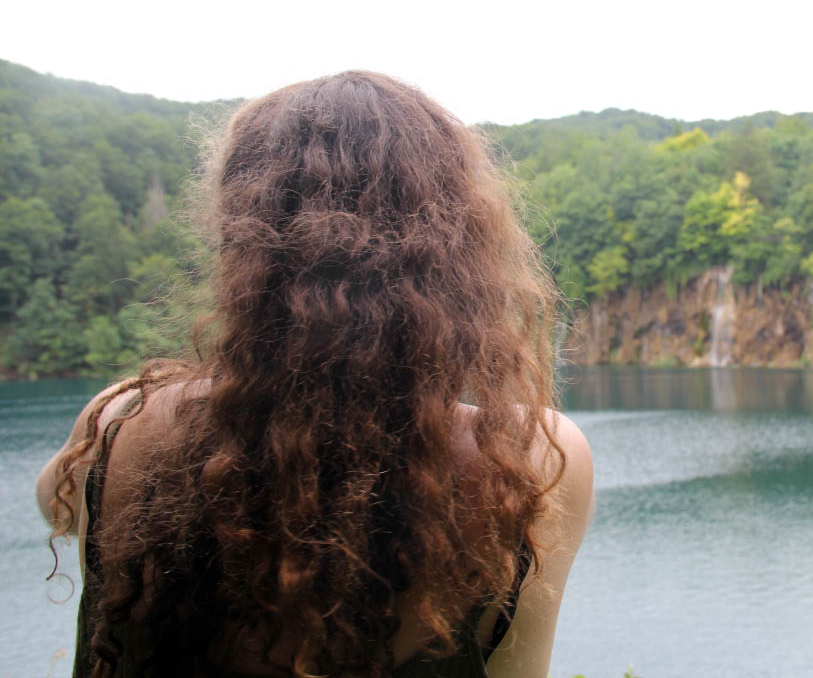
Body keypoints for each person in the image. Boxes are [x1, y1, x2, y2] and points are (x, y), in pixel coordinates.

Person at [36, 71, 594, 678]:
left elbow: (60, 509)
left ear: (242, 241)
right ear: (461, 254)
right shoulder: (534, 460)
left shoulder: (120, 425)